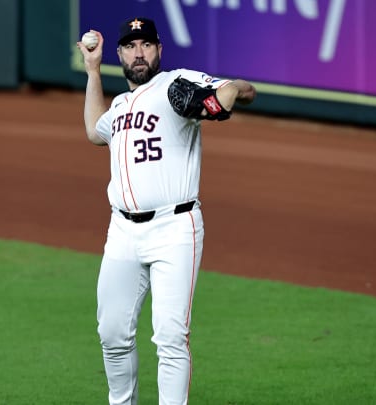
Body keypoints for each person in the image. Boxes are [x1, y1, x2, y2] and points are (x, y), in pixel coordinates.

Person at [76, 16, 256, 405]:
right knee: (111, 333)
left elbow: (232, 92)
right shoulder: (121, 103)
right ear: (120, 54)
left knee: (171, 335)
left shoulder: (176, 82)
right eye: (130, 46)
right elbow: (94, 131)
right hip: (121, 233)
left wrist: (230, 93)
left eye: (146, 45)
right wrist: (92, 71)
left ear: (159, 50)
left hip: (175, 229)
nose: (138, 53)